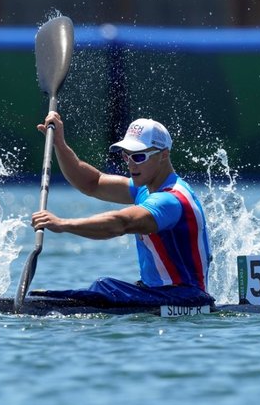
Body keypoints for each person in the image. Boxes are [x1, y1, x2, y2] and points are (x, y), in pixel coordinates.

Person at [28, 112, 213, 306]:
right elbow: (93, 183)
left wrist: (63, 224)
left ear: (163, 155)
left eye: (139, 156)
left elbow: (121, 223)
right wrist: (60, 143)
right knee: (105, 288)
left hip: (187, 298)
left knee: (105, 286)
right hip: (158, 293)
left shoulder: (171, 200)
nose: (131, 164)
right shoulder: (144, 188)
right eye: (127, 156)